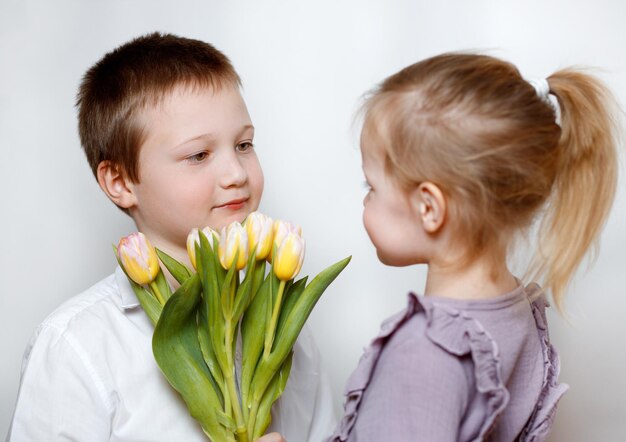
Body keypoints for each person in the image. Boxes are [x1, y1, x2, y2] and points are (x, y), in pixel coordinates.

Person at [8, 32, 334, 442]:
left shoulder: (284, 329)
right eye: (199, 155)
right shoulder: (77, 347)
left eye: (244, 144)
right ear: (120, 181)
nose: (236, 173)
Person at [328, 53, 619, 441]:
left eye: (372, 187)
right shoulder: (516, 312)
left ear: (429, 208)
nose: (366, 201)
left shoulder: (421, 354)